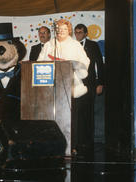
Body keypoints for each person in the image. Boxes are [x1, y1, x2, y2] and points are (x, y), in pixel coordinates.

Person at [37, 19, 90, 158]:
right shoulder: (49, 45)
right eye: (59, 29)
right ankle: (52, 146)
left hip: (70, 87)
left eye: (64, 30)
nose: (61, 32)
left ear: (69, 31)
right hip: (51, 88)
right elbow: (39, 62)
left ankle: (72, 146)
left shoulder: (75, 45)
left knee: (71, 119)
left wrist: (74, 66)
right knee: (52, 118)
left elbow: (84, 62)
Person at [74, 23, 105, 157]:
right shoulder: (72, 46)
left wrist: (101, 83)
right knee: (77, 113)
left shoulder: (93, 45)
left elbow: (99, 64)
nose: (78, 35)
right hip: (75, 84)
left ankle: (89, 141)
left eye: (80, 32)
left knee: (89, 112)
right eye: (76, 32)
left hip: (91, 83)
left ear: (86, 33)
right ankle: (78, 141)